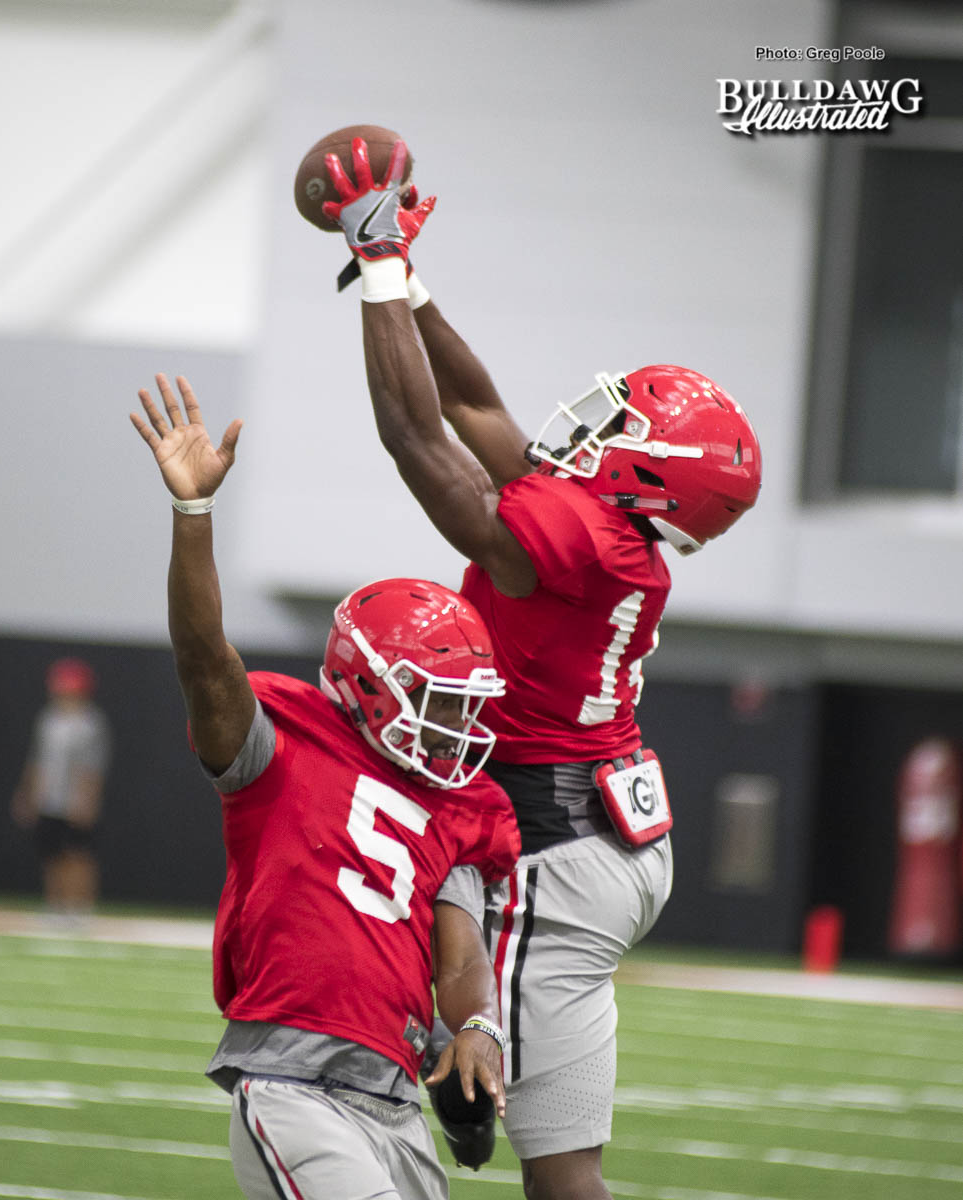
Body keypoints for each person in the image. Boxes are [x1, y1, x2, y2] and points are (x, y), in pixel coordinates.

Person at [320, 139, 763, 1200]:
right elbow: (474, 412)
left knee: (562, 1180)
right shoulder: (611, 533)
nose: (590, 422)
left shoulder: (587, 541)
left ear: (646, 468)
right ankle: (465, 1072)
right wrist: (413, 289)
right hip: (587, 832)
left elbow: (417, 439)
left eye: (622, 424)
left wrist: (375, 261)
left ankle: (465, 1075)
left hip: (553, 848)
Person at [129, 373, 522, 1200]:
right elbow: (205, 661)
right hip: (293, 1081)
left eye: (463, 707)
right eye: (437, 701)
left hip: (395, 1099)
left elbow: (460, 956)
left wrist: (478, 1027)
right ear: (369, 683)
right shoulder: (284, 744)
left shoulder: (465, 806)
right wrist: (193, 517)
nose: (454, 726)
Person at [12, 657, 110, 923]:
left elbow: (93, 767)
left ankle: (80, 908)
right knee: (51, 853)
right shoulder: (48, 720)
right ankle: (56, 906)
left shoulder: (90, 723)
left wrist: (87, 799)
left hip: (74, 799)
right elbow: (37, 760)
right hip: (49, 798)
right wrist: (27, 794)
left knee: (77, 853)